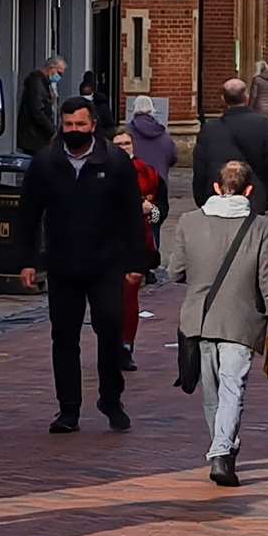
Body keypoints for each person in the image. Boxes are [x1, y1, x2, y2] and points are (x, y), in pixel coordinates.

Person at [18, 97, 148, 434]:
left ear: (93, 125)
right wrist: (28, 262)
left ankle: (110, 397)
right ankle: (68, 409)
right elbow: (29, 215)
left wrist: (136, 263)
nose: (74, 131)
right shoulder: (46, 163)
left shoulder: (115, 161)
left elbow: (132, 215)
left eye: (80, 125)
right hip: (62, 262)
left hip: (106, 262)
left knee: (109, 330)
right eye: (68, 125)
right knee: (64, 337)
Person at [168, 159, 268, 487]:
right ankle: (222, 451)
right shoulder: (260, 228)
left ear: (216, 188)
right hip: (242, 319)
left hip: (199, 320)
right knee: (233, 388)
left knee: (212, 392)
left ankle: (222, 448)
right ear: (249, 191)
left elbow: (174, 272)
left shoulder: (189, 222)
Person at [111, 129, 164, 372]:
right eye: (119, 144)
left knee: (130, 295)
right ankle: (110, 343)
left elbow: (160, 211)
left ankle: (125, 346)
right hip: (108, 242)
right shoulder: (102, 171)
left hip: (137, 242)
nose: (124, 147)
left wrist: (150, 210)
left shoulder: (148, 173)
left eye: (127, 143)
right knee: (110, 297)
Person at [193, 79, 268, 214]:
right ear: (247, 97)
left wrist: (200, 195)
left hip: (216, 193)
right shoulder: (262, 124)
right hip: (252, 193)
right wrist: (262, 180)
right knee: (250, 231)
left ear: (223, 99)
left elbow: (200, 165)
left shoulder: (210, 129)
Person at [126, 95, 178, 251]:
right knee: (154, 222)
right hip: (157, 188)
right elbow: (173, 157)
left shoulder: (126, 134)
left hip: (131, 186)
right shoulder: (163, 136)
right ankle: (152, 260)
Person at [17, 54, 65, 153]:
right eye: (59, 73)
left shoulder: (44, 83)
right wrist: (52, 131)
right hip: (34, 137)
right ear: (51, 68)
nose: (59, 77)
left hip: (36, 136)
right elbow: (38, 110)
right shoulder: (37, 82)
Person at [250, 60, 268, 127]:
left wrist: (249, 108)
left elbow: (253, 95)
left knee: (259, 126)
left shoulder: (256, 79)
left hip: (260, 107)